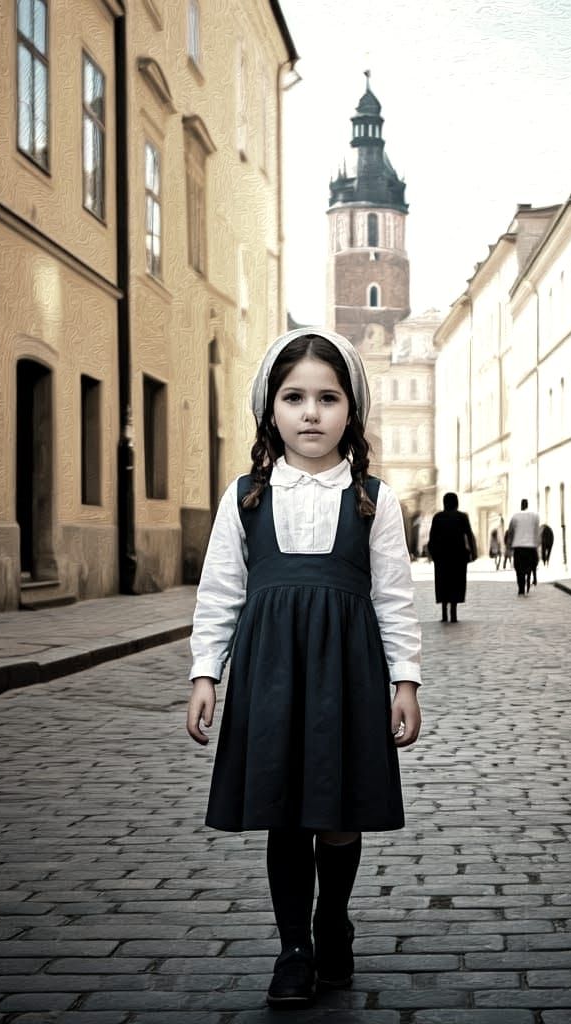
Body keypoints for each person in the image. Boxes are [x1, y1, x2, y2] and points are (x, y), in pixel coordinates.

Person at [186, 328, 422, 1009]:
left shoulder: (374, 498)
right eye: (295, 397)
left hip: (348, 674)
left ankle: (332, 919)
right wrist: (207, 673)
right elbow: (220, 591)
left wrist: (405, 682)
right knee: (284, 813)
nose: (311, 412)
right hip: (271, 676)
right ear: (271, 410)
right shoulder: (245, 497)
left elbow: (395, 598)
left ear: (352, 411)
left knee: (339, 811)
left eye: (328, 397)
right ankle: (293, 947)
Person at [427, 492, 477, 623]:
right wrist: (473, 552)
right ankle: (453, 613)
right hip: (458, 556)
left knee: (443, 582)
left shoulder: (438, 517)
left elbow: (432, 538)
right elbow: (469, 536)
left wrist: (432, 554)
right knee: (456, 582)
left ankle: (444, 613)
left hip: (442, 556)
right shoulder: (462, 517)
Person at [507, 498, 540, 596]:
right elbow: (536, 531)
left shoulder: (515, 517)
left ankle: (521, 588)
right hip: (531, 547)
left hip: (519, 547)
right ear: (527, 505)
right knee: (531, 565)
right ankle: (530, 577)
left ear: (521, 505)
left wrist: (509, 546)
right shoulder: (535, 516)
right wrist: (537, 545)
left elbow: (510, 532)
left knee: (519, 568)